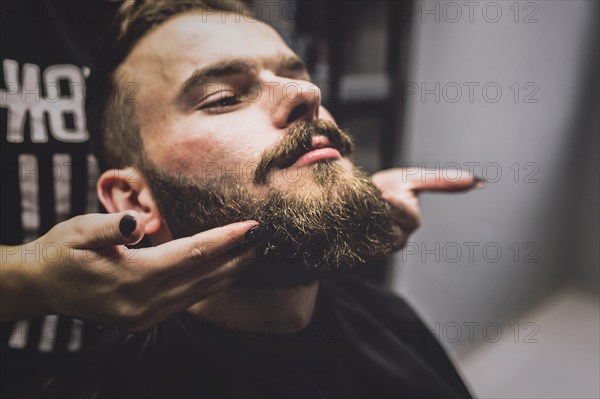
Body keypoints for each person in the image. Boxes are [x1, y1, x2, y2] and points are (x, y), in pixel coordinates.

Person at [1, 1, 481, 398]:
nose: (307, 92)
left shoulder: (391, 323)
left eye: (298, 73)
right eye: (224, 97)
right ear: (133, 198)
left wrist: (334, 202)